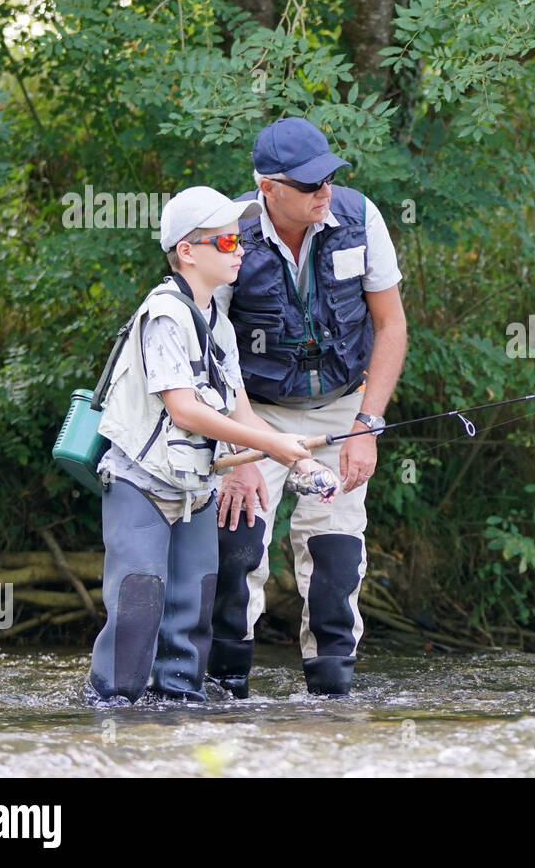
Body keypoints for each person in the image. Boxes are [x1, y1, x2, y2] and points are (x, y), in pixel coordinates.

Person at [86, 186, 331, 707]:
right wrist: (271, 442)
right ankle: (111, 714)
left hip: (195, 487)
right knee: (138, 608)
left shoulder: (218, 321)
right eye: (224, 240)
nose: (239, 248)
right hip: (138, 483)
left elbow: (238, 407)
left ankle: (180, 710)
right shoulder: (164, 314)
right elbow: (185, 410)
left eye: (239, 238)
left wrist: (298, 458)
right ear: (186, 251)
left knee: (191, 611)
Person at [207, 117, 407, 699]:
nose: (325, 191)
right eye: (309, 184)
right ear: (268, 187)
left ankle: (331, 703)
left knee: (336, 561)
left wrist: (367, 425)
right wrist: (239, 448)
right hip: (251, 412)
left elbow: (391, 325)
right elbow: (211, 344)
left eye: (328, 178)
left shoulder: (360, 217)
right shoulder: (229, 231)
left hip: (341, 411)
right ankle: (225, 694)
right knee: (237, 554)